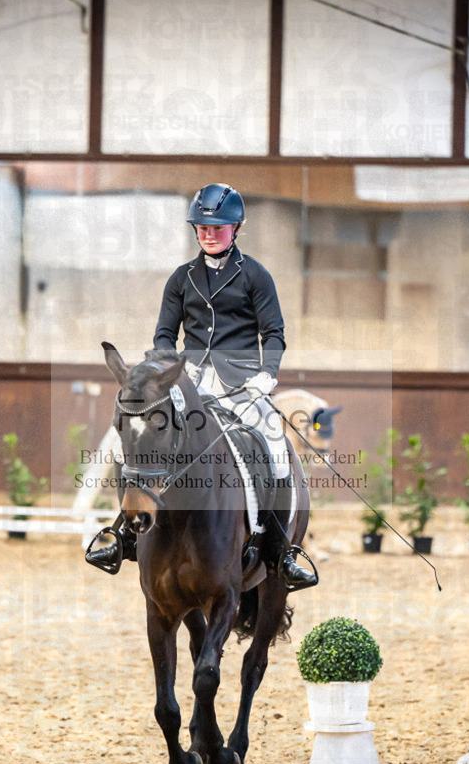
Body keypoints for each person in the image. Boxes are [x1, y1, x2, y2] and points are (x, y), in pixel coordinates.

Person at [89, 183, 317, 589]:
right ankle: (122, 535)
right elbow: (164, 335)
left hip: (244, 383)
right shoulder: (182, 278)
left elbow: (275, 334)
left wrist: (266, 375)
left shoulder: (255, 275)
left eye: (218, 228)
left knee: (275, 448)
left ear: (236, 228)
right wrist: (166, 370)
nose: (209, 234)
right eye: (202, 227)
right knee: (143, 439)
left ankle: (280, 552)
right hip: (188, 380)